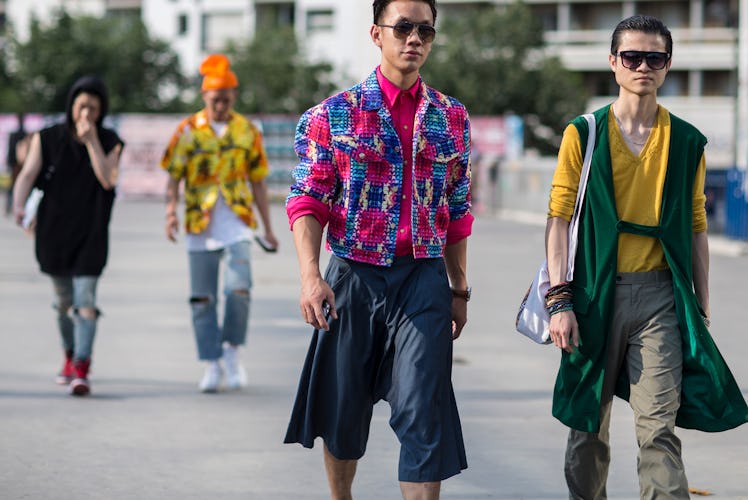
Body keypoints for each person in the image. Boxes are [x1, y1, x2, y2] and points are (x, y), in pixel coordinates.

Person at [545, 15, 748, 498]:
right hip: (593, 294)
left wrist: (698, 303)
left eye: (653, 58)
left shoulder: (687, 141)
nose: (643, 66)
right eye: (632, 57)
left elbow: (696, 224)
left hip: (659, 297)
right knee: (587, 429)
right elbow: (558, 217)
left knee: (658, 429)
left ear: (668, 65)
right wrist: (559, 301)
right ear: (613, 64)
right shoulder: (584, 133)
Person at [283, 0, 473, 498]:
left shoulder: (451, 117)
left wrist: (459, 288)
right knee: (345, 410)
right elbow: (308, 198)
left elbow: (457, 209)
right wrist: (310, 275)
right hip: (353, 275)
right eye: (404, 27)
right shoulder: (333, 114)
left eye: (425, 31)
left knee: (422, 407)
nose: (415, 39)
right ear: (376, 33)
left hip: (424, 278)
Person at [161, 53, 278, 393]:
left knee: (239, 288)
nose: (221, 105)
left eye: (227, 99)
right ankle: (211, 362)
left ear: (234, 97)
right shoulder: (186, 131)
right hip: (200, 222)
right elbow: (173, 177)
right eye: (215, 100)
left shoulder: (247, 131)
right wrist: (170, 212)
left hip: (239, 222)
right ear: (205, 97)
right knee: (202, 297)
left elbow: (258, 180)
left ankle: (231, 351)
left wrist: (268, 228)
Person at [12, 76, 123, 396]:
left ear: (102, 111)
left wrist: (91, 142)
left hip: (91, 232)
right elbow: (28, 174)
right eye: (81, 106)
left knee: (85, 301)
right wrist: (19, 206)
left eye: (93, 107)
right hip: (54, 231)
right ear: (71, 106)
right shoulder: (47, 138)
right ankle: (69, 355)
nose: (86, 113)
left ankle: (83, 366)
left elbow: (108, 180)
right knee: (63, 303)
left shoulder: (110, 140)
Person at [5, 113, 30, 216]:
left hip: (16, 164)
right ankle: (18, 206)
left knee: (13, 186)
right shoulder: (24, 134)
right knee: (21, 184)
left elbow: (10, 150)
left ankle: (9, 206)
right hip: (21, 164)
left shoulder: (15, 134)